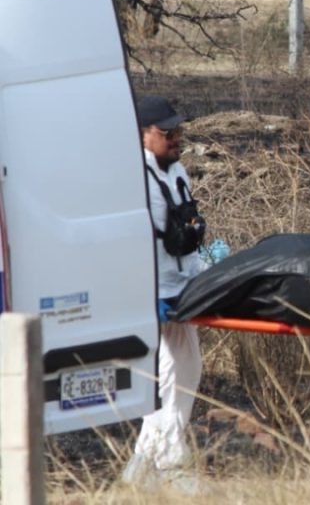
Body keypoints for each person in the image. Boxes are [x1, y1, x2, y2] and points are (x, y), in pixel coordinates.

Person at [122, 95, 205, 489]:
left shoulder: (178, 172)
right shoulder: (131, 176)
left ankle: (144, 467)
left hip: (182, 284)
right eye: (166, 132)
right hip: (150, 287)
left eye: (179, 131)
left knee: (187, 367)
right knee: (163, 377)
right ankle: (167, 463)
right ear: (142, 136)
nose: (176, 138)